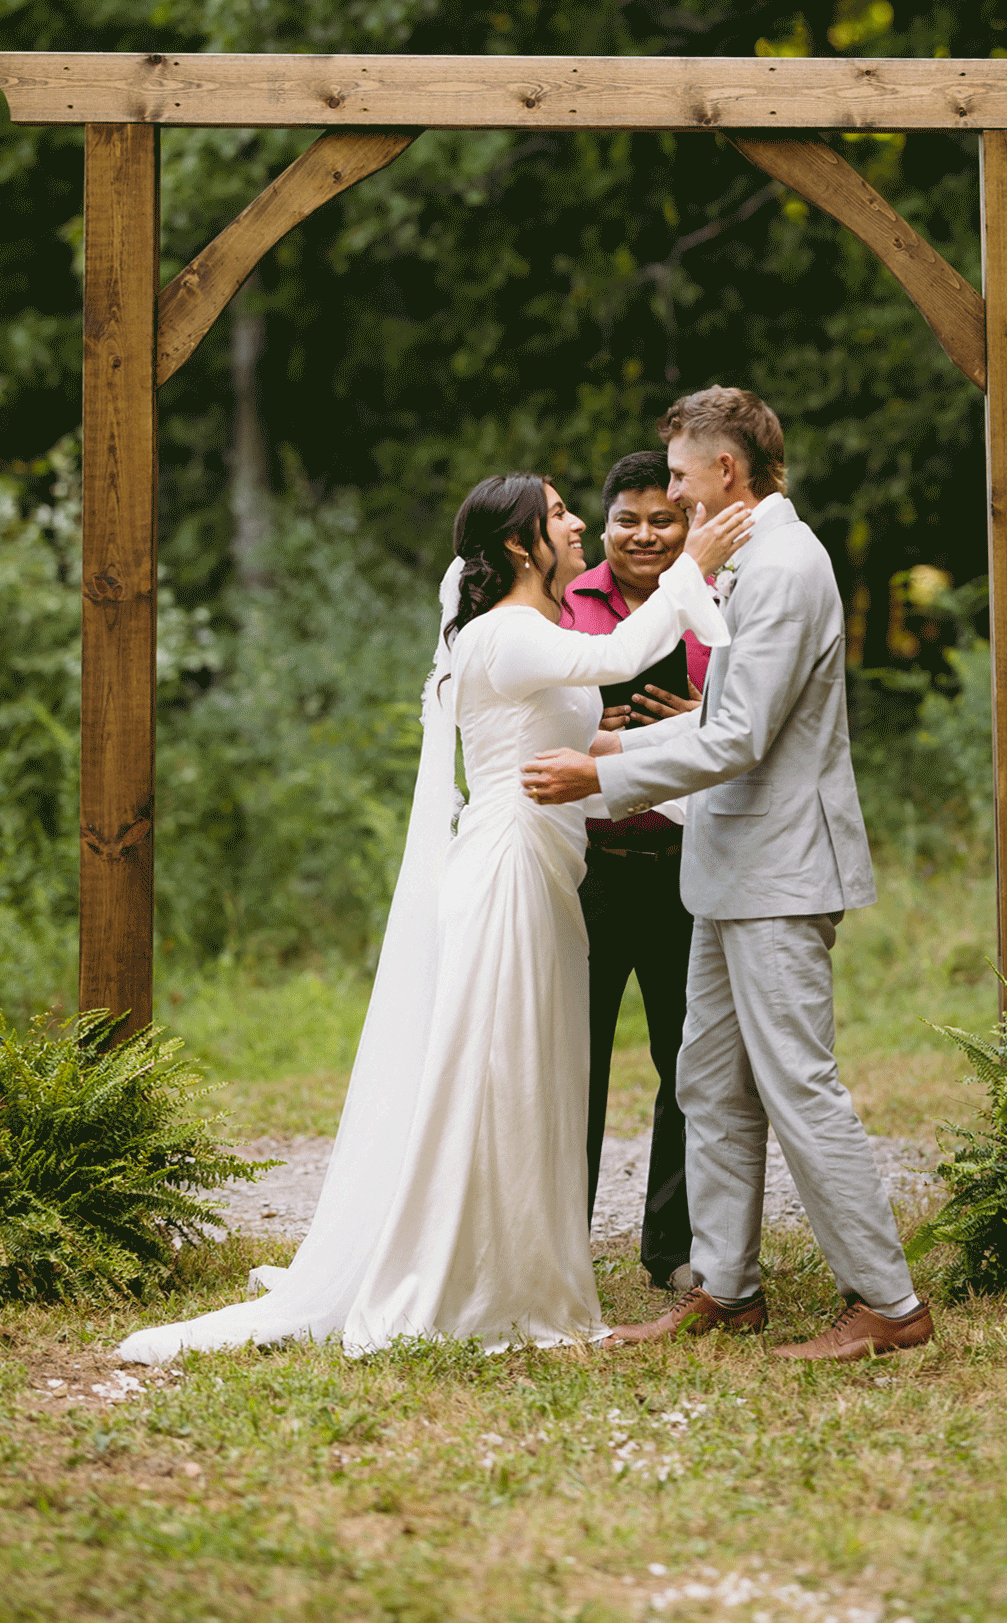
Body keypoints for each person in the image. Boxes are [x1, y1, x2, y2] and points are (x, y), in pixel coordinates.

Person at [119, 473, 747, 1365]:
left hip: (543, 862)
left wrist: (703, 782)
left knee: (533, 1067)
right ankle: (468, 1268)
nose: (576, 527)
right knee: (499, 1067)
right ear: (524, 547)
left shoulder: (537, 631)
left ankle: (519, 1257)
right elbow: (621, 658)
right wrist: (693, 561)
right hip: (508, 870)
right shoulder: (505, 636)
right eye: (561, 514)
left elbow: (586, 748)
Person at [522, 388, 934, 1363]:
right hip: (726, 869)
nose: (665, 492)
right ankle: (723, 1285)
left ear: (724, 472)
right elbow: (713, 718)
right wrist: (602, 747)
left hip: (782, 871)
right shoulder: (752, 562)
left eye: (676, 473)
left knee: (797, 1081)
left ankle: (885, 1300)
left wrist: (604, 773)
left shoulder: (786, 567)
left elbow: (740, 735)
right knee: (706, 1079)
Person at [562, 449, 710, 1293]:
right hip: (588, 864)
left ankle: (673, 1246)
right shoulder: (565, 604)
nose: (644, 535)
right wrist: (594, 725)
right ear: (606, 520)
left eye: (663, 518)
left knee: (686, 1060)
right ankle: (557, 1238)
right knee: (569, 1058)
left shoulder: (714, 605)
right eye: (628, 519)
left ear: (686, 522)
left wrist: (697, 717)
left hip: (682, 863)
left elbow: (745, 725)